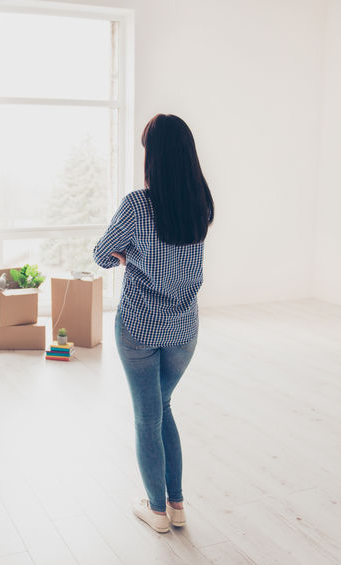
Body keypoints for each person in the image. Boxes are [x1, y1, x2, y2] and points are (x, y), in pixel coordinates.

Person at [93, 113, 215, 533]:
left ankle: (157, 511)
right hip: (184, 330)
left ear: (153, 157)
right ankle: (177, 505)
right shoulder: (203, 202)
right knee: (162, 408)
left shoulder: (137, 204)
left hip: (140, 328)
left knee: (148, 417)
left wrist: (127, 257)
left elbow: (101, 254)